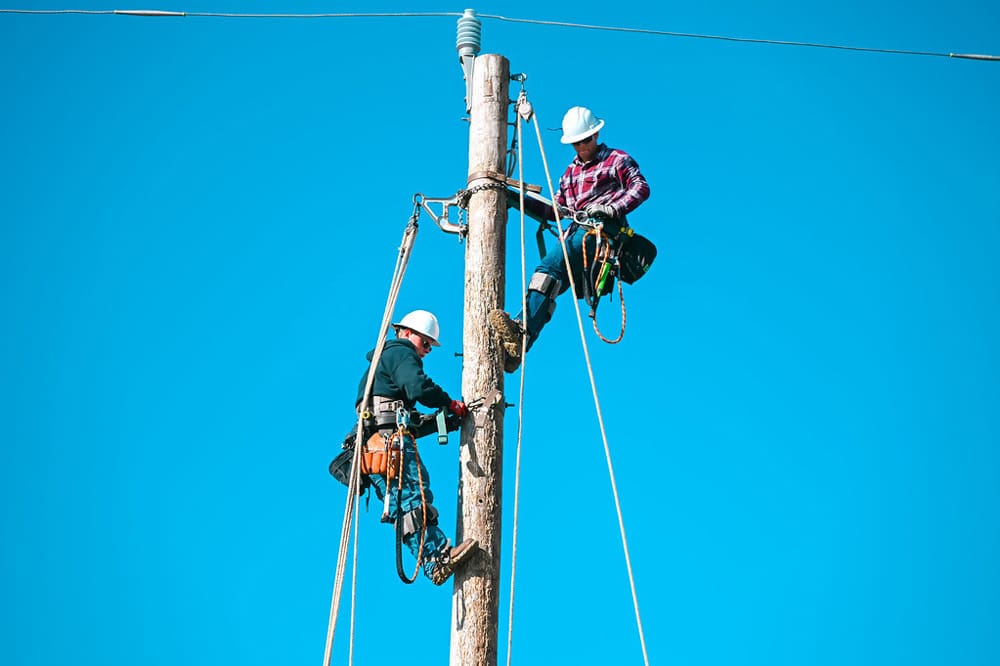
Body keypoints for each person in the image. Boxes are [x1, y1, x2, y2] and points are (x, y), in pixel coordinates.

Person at [490, 105, 651, 372]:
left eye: (586, 140)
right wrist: (518, 200)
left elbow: (641, 187)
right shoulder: (570, 174)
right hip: (575, 234)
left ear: (596, 135)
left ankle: (521, 331)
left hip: (599, 234)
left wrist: (611, 208)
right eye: (577, 142)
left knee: (548, 269)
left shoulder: (616, 160)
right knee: (549, 285)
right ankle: (519, 345)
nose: (582, 146)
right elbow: (556, 211)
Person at [351, 309, 477, 585]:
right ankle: (435, 558)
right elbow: (418, 387)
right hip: (387, 445)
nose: (427, 350)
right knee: (412, 496)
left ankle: (431, 558)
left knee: (404, 502)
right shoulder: (400, 352)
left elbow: (402, 419)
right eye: (426, 343)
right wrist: (448, 402)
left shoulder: (383, 366)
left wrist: (441, 423)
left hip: (375, 447)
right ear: (408, 334)